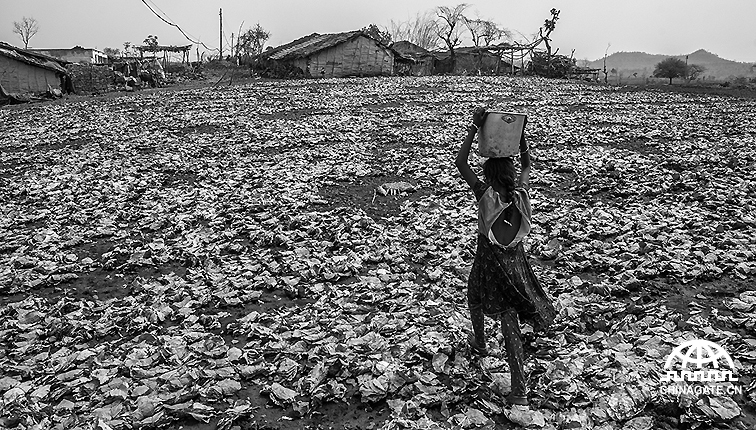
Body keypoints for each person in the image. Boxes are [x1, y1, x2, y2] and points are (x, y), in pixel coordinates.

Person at [455, 107, 556, 406]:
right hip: (515, 267)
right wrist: (520, 135)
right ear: (511, 176)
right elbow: (527, 164)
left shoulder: (486, 195)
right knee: (508, 321)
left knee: (474, 295)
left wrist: (474, 127)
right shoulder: (521, 195)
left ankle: (481, 342)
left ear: (489, 175)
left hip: (488, 262)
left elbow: (461, 163)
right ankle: (519, 391)